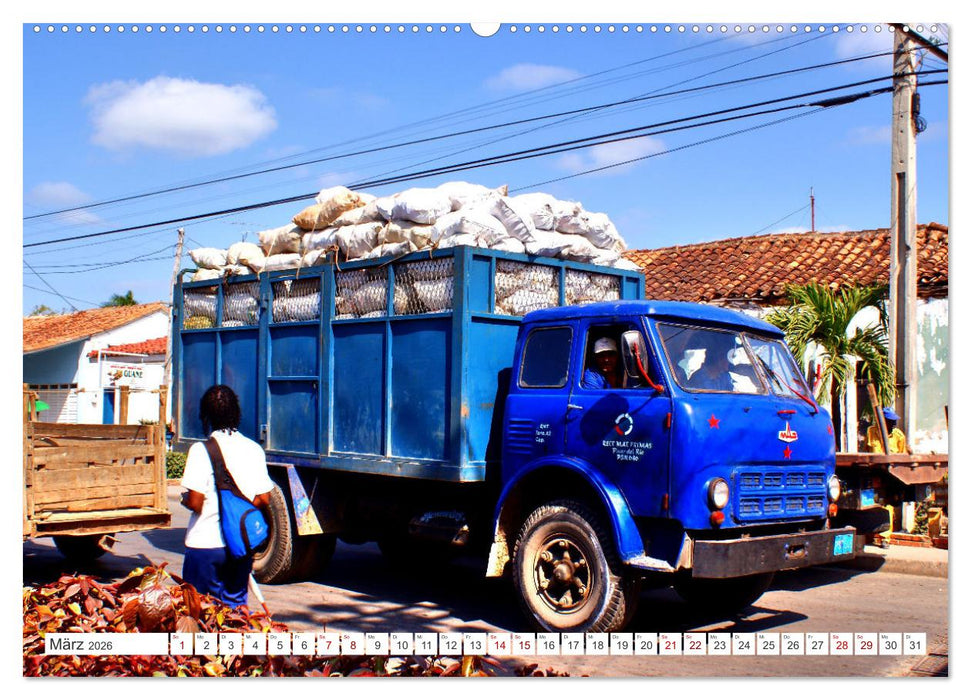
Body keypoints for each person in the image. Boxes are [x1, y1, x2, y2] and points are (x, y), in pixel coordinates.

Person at [180, 385, 274, 607]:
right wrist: (236, 512)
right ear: (236, 412)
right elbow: (264, 498)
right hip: (240, 546)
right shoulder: (254, 449)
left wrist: (185, 499)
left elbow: (196, 502)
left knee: (200, 612)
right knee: (235, 612)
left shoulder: (200, 450)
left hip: (205, 545)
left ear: (205, 416)